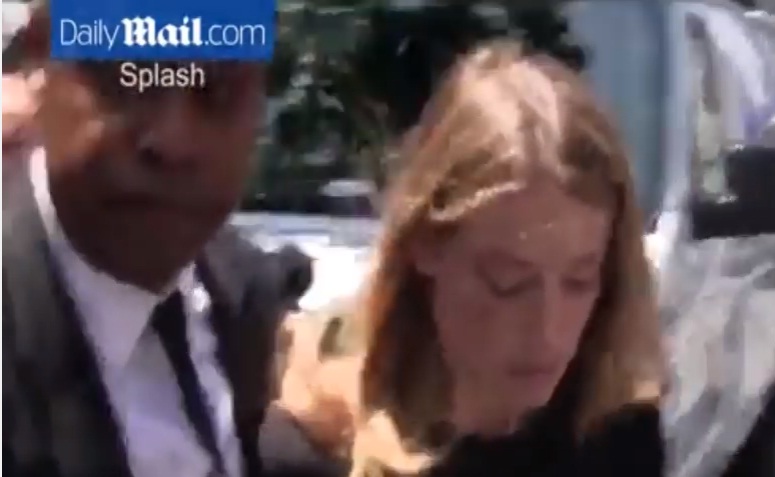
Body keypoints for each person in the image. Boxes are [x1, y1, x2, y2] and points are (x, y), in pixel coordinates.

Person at [273, 40, 666, 477]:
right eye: (508, 283)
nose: (547, 330)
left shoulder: (616, 433)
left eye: (579, 280)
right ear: (425, 243)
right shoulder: (318, 445)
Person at [2, 4, 330, 477]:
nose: (174, 140)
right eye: (128, 76)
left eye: (215, 89)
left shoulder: (265, 330)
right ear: (40, 56)